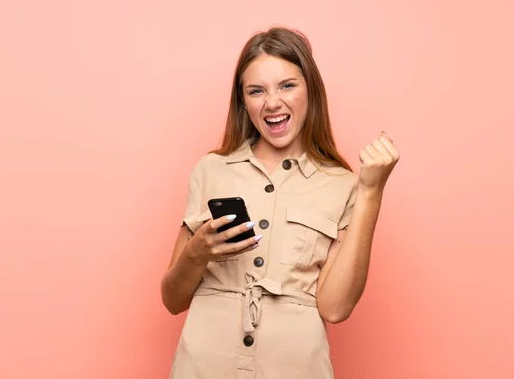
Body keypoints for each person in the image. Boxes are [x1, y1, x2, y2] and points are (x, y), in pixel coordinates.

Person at [161, 26, 400, 378]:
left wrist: (370, 192)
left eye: (287, 85)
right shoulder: (211, 169)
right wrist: (199, 251)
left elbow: (336, 307)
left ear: (311, 91)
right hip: (203, 366)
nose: (272, 102)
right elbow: (172, 300)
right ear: (243, 101)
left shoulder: (342, 184)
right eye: (256, 91)